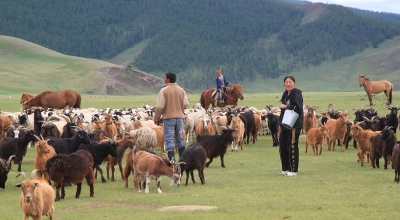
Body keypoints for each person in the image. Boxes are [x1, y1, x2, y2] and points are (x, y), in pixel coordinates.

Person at [154, 72, 189, 161]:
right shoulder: (181, 90)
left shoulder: (164, 91)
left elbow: (160, 107)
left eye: (165, 78)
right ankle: (183, 160)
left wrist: (156, 119)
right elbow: (186, 105)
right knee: (180, 139)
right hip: (180, 118)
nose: (164, 79)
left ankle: (172, 161)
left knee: (169, 139)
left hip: (169, 118)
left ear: (168, 79)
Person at [278, 76, 303, 176]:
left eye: (290, 82)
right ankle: (285, 168)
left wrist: (286, 106)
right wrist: (280, 124)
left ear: (294, 83)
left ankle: (294, 170)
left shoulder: (297, 94)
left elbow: (298, 108)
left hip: (294, 125)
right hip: (285, 124)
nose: (288, 84)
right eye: (286, 82)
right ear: (284, 84)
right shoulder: (285, 94)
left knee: (292, 146)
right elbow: (283, 112)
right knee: (283, 147)